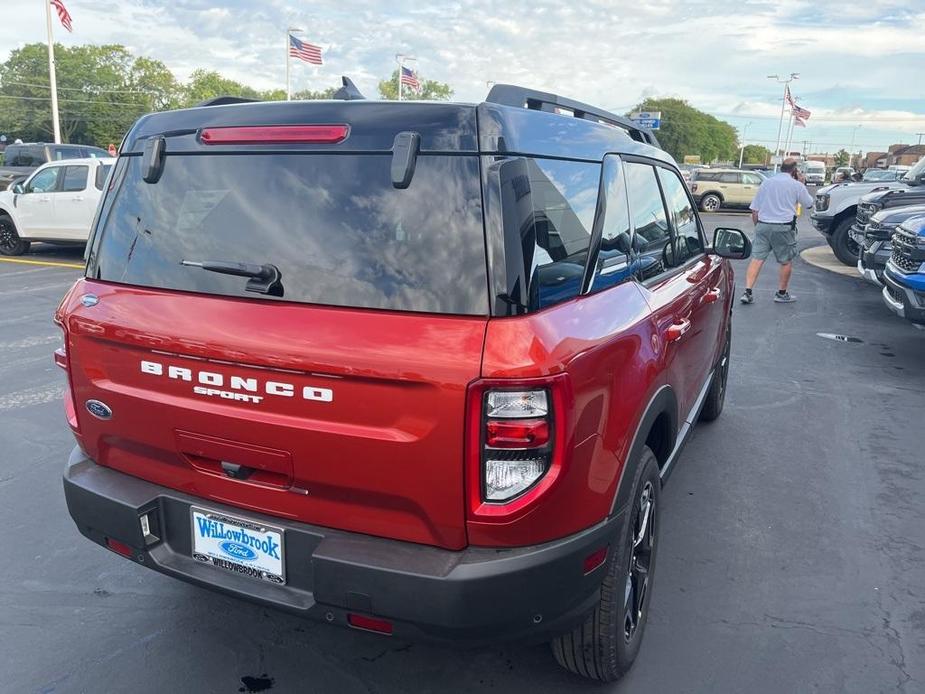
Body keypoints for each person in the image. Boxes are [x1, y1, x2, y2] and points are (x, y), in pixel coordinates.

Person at [740, 158, 814, 304]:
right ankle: (781, 293)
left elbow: (755, 209)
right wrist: (801, 183)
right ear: (794, 170)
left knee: (757, 259)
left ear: (781, 168)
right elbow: (809, 204)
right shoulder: (796, 185)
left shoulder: (767, 183)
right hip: (784, 227)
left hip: (763, 225)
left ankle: (747, 291)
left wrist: (758, 226)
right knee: (785, 261)